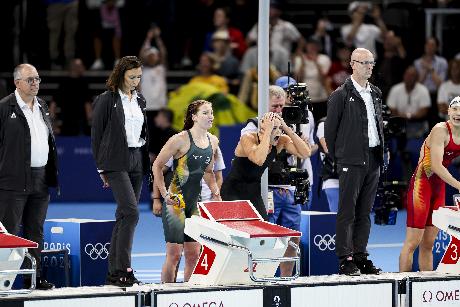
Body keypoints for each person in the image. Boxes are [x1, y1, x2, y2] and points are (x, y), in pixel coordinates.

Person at [91, 56, 150, 287]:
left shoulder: (140, 100)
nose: (136, 81)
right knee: (132, 213)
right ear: (121, 74)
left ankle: (114, 273)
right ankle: (125, 268)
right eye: (132, 76)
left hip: (137, 158)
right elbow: (97, 134)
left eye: (138, 77)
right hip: (116, 160)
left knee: (125, 216)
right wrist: (100, 167)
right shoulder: (107, 99)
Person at [325, 47, 384, 275]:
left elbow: (376, 125)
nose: (369, 66)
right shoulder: (340, 95)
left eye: (371, 62)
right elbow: (330, 133)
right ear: (353, 64)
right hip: (351, 159)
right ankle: (345, 257)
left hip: (373, 157)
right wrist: (342, 157)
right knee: (347, 210)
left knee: (365, 212)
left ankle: (360, 255)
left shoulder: (376, 93)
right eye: (364, 62)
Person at [0, 64, 58, 290]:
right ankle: (4, 279)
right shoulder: (5, 108)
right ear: (17, 83)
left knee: (36, 230)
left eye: (37, 79)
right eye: (30, 80)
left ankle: (34, 277)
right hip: (11, 181)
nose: (35, 83)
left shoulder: (42, 106)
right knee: (9, 231)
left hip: (40, 178)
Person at [152, 100, 221, 283]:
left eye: (211, 112)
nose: (210, 116)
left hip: (195, 204)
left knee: (193, 255)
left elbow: (207, 172)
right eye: (205, 113)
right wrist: (163, 195)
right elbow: (157, 166)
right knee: (174, 255)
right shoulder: (179, 139)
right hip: (176, 202)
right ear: (194, 117)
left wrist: (216, 192)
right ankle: (166, 296)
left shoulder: (213, 141)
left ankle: (188, 295)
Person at [399, 96, 460, 272]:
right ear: (448, 112)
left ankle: (425, 288)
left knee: (429, 243)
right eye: (454, 109)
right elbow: (435, 166)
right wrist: (458, 185)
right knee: (413, 241)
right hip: (421, 184)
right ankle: (403, 290)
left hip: (438, 187)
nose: (458, 113)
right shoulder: (441, 129)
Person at [221, 112, 311, 221]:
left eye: (279, 128)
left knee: (262, 226)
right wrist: (268, 132)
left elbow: (305, 153)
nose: (278, 132)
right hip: (233, 189)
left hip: (253, 190)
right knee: (238, 226)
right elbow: (259, 159)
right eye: (274, 128)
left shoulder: (280, 141)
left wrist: (287, 129)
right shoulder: (248, 138)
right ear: (262, 129)